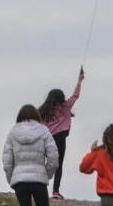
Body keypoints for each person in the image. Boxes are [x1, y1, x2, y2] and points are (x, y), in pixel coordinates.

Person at [38, 66, 84, 200]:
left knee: (45, 163)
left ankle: (40, 188)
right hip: (59, 139)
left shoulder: (44, 110)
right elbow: (75, 95)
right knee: (58, 165)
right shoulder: (65, 107)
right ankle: (55, 191)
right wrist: (79, 81)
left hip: (46, 139)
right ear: (61, 97)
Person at [2, 104, 59, 206]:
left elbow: (7, 162)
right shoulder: (44, 131)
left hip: (19, 181)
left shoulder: (12, 132)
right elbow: (53, 158)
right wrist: (46, 175)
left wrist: (12, 179)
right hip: (39, 180)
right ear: (37, 116)